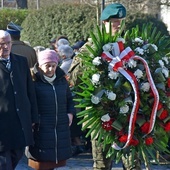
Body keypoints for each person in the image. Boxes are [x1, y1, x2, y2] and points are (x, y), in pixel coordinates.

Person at [68, 3, 140, 170]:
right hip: (99, 115)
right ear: (104, 23)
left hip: (127, 115)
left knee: (132, 165)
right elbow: (74, 80)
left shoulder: (130, 47)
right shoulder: (90, 48)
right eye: (114, 21)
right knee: (101, 164)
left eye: (120, 21)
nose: (118, 25)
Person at [25, 49, 76, 170]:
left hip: (60, 125)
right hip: (41, 126)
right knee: (41, 162)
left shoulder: (61, 80)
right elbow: (28, 103)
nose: (50, 69)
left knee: (54, 162)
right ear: (40, 65)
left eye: (53, 66)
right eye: (47, 66)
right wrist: (33, 120)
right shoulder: (33, 81)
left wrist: (70, 113)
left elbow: (69, 98)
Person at [0, 30, 38, 169]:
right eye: (1, 44)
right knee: (4, 163)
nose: (5, 47)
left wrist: (34, 117)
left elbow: (30, 91)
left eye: (8, 43)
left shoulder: (21, 61)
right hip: (2, 123)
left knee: (17, 154)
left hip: (20, 120)